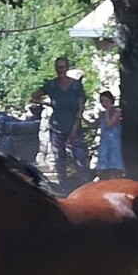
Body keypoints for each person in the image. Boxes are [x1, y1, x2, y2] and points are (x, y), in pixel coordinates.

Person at [30, 56, 91, 193]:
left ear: (67, 68)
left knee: (80, 159)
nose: (60, 70)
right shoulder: (51, 85)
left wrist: (74, 129)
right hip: (56, 128)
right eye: (58, 67)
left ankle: (85, 189)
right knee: (59, 160)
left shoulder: (76, 85)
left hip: (74, 126)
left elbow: (80, 109)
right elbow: (33, 96)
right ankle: (63, 189)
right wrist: (48, 104)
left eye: (62, 67)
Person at [93, 91, 124, 180]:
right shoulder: (101, 114)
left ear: (111, 100)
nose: (104, 103)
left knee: (114, 163)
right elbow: (94, 125)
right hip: (104, 142)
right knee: (104, 163)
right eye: (102, 101)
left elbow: (109, 124)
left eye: (106, 101)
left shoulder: (117, 112)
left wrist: (107, 112)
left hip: (114, 141)